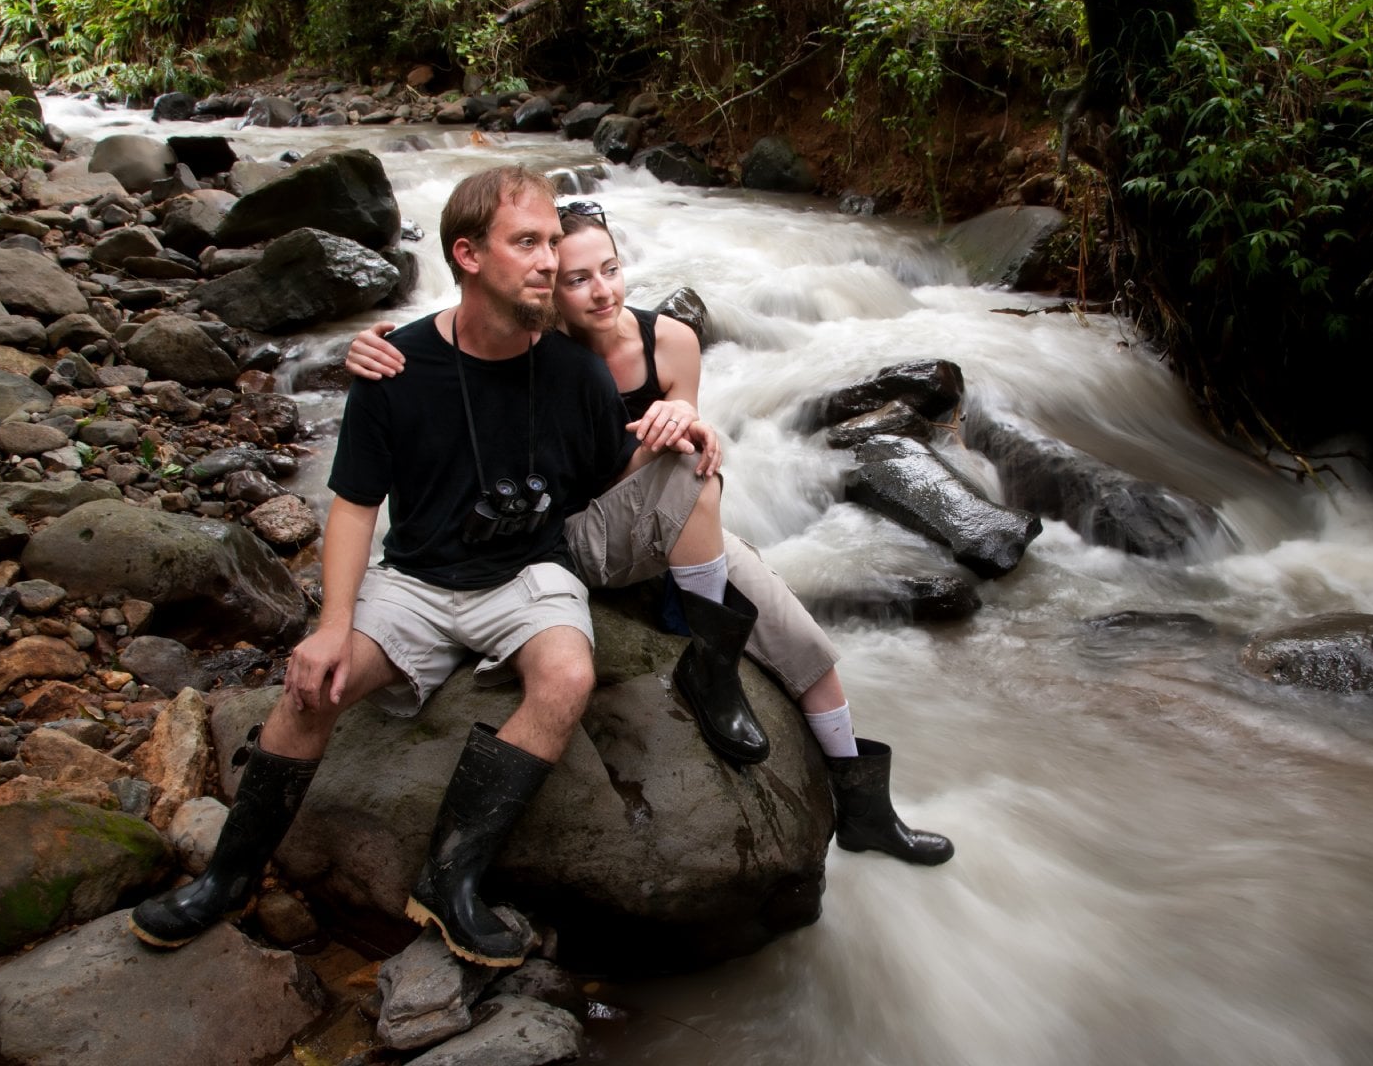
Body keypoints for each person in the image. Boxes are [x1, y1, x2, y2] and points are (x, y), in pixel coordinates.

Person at [130, 165, 673, 968]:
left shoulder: (577, 373)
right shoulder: (395, 367)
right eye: (528, 242)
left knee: (564, 678)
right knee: (316, 684)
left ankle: (449, 880)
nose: (551, 261)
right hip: (416, 580)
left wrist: (681, 429)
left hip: (530, 574)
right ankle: (228, 877)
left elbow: (607, 473)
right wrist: (330, 626)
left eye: (555, 242)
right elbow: (353, 505)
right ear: (468, 255)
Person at [345, 200, 953, 868]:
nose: (601, 290)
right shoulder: (538, 347)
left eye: (609, 269)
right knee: (686, 468)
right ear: (547, 285)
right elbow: (456, 344)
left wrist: (690, 422)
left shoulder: (671, 341)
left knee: (805, 647)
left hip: (671, 525)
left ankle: (867, 811)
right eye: (576, 279)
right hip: (575, 537)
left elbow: (692, 458)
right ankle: (707, 660)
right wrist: (372, 346)